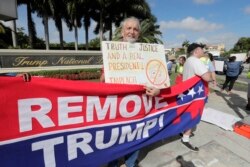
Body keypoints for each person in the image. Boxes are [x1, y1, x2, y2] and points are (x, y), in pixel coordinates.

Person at [100, 16, 159, 167]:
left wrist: (157, 90)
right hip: (115, 106)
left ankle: (130, 163)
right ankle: (113, 164)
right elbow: (101, 82)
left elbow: (156, 79)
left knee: (136, 137)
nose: (132, 32)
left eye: (135, 29)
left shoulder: (147, 53)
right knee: (113, 138)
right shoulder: (111, 51)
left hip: (138, 107)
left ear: (139, 33)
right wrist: (106, 74)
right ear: (122, 31)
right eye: (129, 28)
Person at [181, 43, 212, 152]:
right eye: (201, 49)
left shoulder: (188, 60)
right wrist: (209, 72)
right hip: (194, 94)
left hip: (187, 92)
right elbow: (207, 77)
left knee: (187, 113)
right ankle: (185, 138)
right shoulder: (196, 61)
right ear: (196, 51)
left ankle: (183, 130)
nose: (203, 51)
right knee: (193, 115)